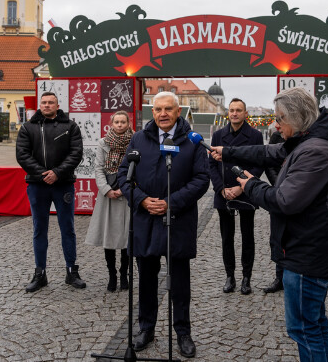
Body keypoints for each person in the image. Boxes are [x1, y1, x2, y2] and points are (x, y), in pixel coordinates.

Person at [210, 87, 328, 361]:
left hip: (307, 255)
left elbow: (284, 200)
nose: (276, 124)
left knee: (304, 329)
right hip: (304, 250)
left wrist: (250, 186)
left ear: (296, 118)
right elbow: (268, 152)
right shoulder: (307, 140)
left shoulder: (315, 150)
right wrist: (229, 152)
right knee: (315, 326)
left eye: (280, 118)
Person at [118, 91, 210, 359]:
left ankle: (182, 332)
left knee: (179, 281)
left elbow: (202, 179)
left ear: (178, 111)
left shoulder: (192, 142)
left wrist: (171, 202)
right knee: (146, 278)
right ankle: (146, 328)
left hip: (177, 220)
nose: (162, 114)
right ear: (152, 111)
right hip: (145, 219)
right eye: (158, 109)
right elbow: (124, 175)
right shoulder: (138, 138)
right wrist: (142, 200)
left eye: (168, 109)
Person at [15, 92, 85, 293]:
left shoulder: (70, 126)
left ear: (57, 105)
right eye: (44, 102)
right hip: (37, 185)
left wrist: (57, 172)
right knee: (39, 229)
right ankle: (40, 274)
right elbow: (22, 155)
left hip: (63, 184)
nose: (47, 105)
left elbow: (76, 153)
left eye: (50, 102)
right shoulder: (28, 127)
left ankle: (72, 271)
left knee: (68, 228)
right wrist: (42, 174)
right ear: (40, 105)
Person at [208, 98, 263, 295]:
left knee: (248, 237)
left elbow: (259, 164)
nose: (234, 113)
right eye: (231, 110)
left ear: (245, 113)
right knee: (226, 238)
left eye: (238, 110)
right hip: (224, 193)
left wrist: (244, 187)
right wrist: (221, 188)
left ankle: (246, 277)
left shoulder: (255, 135)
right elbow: (211, 165)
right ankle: (229, 276)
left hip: (245, 193)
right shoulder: (219, 135)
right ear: (228, 113)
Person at [85, 111, 133, 292]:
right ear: (111, 124)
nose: (120, 125)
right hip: (108, 195)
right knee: (109, 237)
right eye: (117, 122)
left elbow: (138, 168)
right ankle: (112, 275)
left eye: (123, 122)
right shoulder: (103, 143)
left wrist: (126, 188)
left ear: (128, 123)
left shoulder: (135, 142)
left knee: (126, 237)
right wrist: (106, 189)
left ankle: (124, 274)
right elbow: (98, 168)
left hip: (127, 193)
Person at [262, 121, 285, 294]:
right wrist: (278, 184)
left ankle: (293, 275)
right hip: (279, 193)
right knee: (277, 238)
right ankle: (279, 277)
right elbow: (269, 163)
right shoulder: (277, 137)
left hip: (298, 194)